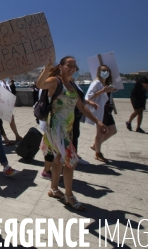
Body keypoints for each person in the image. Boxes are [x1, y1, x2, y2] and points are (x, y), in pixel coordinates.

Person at [36, 57, 107, 211]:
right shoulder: (55, 81)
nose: (72, 68)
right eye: (69, 65)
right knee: (72, 161)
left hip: (67, 129)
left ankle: (54, 189)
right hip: (56, 128)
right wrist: (46, 68)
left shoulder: (72, 85)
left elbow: (81, 107)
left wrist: (97, 121)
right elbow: (40, 84)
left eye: (74, 66)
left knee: (59, 158)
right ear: (61, 66)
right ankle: (69, 195)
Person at [86, 65, 119, 163]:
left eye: (107, 70)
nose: (105, 72)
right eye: (103, 70)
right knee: (100, 132)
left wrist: (110, 90)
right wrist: (103, 91)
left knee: (112, 130)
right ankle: (98, 153)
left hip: (107, 110)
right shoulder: (96, 83)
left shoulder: (106, 83)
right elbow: (88, 97)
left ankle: (95, 146)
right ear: (98, 72)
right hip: (100, 110)